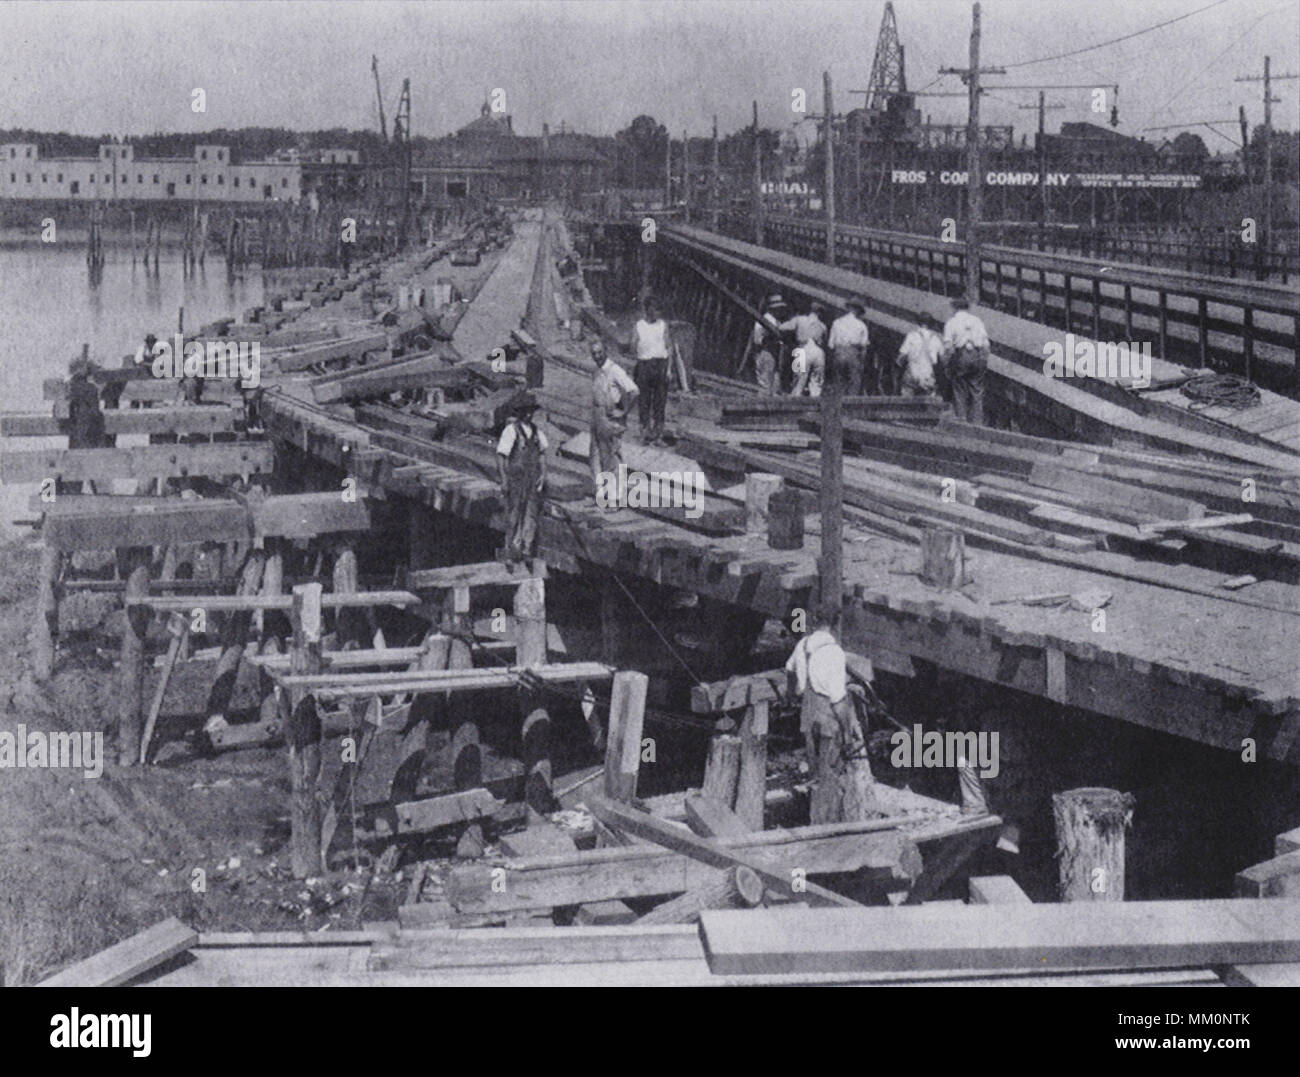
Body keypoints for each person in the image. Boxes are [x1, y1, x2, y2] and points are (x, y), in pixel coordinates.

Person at [495, 390, 548, 563]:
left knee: (530, 515)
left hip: (532, 479)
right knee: (514, 515)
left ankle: (526, 550)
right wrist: (503, 480)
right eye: (525, 411)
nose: (528, 414)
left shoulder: (536, 431)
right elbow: (501, 456)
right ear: (519, 412)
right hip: (516, 479)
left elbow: (542, 453)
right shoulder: (511, 431)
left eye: (531, 411)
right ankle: (510, 550)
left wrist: (543, 474)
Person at [589, 338, 638, 489]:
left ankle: (616, 497)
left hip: (611, 419)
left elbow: (634, 391)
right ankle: (601, 493)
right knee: (595, 455)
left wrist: (623, 412)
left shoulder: (615, 370)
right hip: (597, 416)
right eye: (594, 353)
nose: (597, 356)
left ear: (606, 352)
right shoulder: (597, 371)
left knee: (613, 458)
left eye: (599, 352)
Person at [941, 293, 990, 424]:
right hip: (978, 356)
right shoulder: (977, 321)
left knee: (959, 390)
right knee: (977, 392)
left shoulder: (951, 322)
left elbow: (948, 346)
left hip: (961, 356)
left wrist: (946, 363)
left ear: (954, 308)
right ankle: (977, 423)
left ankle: (962, 421)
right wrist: (983, 360)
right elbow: (986, 344)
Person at [631, 299, 672, 443]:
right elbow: (633, 345)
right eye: (654, 309)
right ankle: (644, 432)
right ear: (647, 309)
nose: (657, 313)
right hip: (644, 364)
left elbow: (668, 347)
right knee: (644, 401)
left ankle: (658, 435)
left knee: (660, 402)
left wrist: (669, 370)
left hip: (661, 364)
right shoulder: (639, 325)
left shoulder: (663, 325)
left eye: (658, 309)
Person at [827, 298, 871, 396]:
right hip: (853, 352)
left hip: (838, 352)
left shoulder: (836, 322)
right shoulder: (861, 325)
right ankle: (850, 406)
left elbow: (830, 344)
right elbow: (864, 347)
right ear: (858, 310)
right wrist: (862, 362)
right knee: (854, 381)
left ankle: (838, 405)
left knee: (838, 381)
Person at [896, 312, 942, 397]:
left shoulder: (911, 336)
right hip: (928, 374)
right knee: (928, 402)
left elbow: (901, 357)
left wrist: (899, 363)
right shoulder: (936, 338)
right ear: (931, 324)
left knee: (907, 401)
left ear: (918, 323)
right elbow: (942, 357)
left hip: (912, 373)